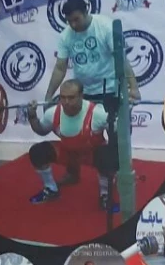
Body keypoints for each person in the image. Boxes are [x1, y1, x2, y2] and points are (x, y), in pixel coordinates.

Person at [43, 0, 140, 208]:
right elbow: (60, 67)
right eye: (69, 21)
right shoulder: (66, 35)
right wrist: (48, 96)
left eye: (76, 19)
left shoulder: (104, 26)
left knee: (116, 137)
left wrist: (133, 87)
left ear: (86, 11)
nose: (73, 25)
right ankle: (73, 173)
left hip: (110, 90)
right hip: (83, 92)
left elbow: (121, 60)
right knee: (73, 135)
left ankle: (114, 178)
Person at [26, 80, 112, 208]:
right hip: (68, 153)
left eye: (71, 98)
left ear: (81, 96)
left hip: (91, 154)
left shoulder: (98, 114)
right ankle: (51, 189)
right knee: (38, 151)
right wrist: (32, 116)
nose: (66, 102)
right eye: (63, 97)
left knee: (108, 155)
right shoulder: (53, 113)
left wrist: (122, 119)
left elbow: (119, 137)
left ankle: (105, 194)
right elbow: (41, 131)